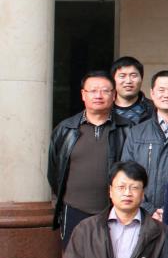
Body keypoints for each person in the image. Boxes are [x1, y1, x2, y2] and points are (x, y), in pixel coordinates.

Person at [49, 70, 131, 246]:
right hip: (74, 210)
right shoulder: (65, 129)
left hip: (116, 211)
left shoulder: (129, 129)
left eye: (105, 91)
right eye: (93, 91)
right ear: (83, 95)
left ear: (114, 95)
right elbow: (54, 171)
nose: (98, 96)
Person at [121, 70, 168, 216]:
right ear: (152, 93)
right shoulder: (136, 133)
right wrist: (149, 210)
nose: (166, 95)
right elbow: (126, 175)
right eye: (161, 90)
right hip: (143, 216)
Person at [111, 57, 154, 125]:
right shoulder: (104, 108)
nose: (128, 81)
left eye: (133, 76)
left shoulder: (154, 109)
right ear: (113, 80)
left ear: (141, 78)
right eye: (122, 76)